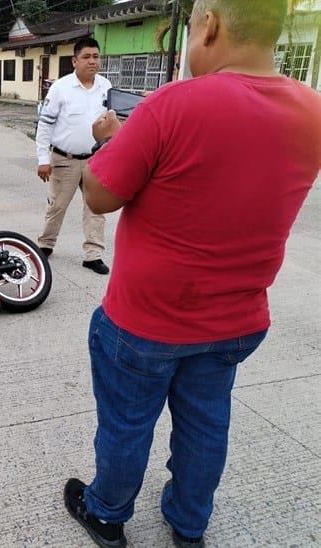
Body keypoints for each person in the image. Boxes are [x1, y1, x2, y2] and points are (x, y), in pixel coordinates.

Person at [62, 1, 321, 547]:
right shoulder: (312, 110)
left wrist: (112, 139)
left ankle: (107, 514)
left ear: (210, 24)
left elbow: (102, 194)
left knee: (128, 426)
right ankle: (188, 525)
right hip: (237, 320)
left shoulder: (174, 103)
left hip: (146, 320)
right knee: (206, 425)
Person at [35, 37, 111, 275]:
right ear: (74, 60)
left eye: (96, 57)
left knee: (96, 208)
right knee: (57, 206)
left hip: (95, 159)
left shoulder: (106, 86)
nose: (92, 61)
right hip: (64, 159)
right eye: (86, 57)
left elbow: (111, 122)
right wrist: (43, 159)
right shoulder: (61, 87)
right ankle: (45, 245)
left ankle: (93, 254)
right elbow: (45, 125)